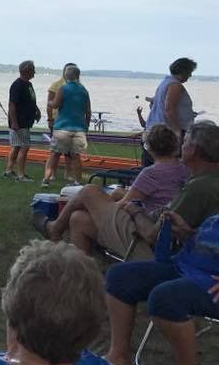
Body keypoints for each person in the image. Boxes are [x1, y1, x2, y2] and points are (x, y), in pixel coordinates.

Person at [34, 121, 219, 259]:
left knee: (90, 191)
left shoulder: (199, 188)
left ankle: (54, 228)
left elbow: (153, 236)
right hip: (158, 237)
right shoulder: (200, 177)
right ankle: (83, 278)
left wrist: (134, 211)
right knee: (78, 219)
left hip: (150, 247)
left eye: (185, 142)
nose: (182, 147)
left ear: (194, 150)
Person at [104, 212, 219, 365]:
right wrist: (186, 233)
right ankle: (119, 356)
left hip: (211, 283)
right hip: (186, 267)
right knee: (120, 277)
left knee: (165, 298)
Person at [42, 64, 90, 187]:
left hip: (62, 127)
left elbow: (55, 104)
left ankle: (46, 180)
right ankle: (77, 181)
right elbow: (88, 111)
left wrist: (50, 102)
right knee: (76, 156)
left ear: (66, 76)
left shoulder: (63, 88)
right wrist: (86, 126)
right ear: (78, 76)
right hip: (79, 128)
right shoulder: (84, 90)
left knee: (55, 154)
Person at [144, 57, 198, 165]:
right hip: (168, 134)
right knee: (174, 166)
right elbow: (169, 109)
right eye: (190, 72)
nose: (190, 75)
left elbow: (160, 104)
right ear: (183, 71)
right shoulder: (175, 85)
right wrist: (177, 132)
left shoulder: (165, 82)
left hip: (158, 131)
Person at [4, 60, 40, 182]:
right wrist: (14, 122)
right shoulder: (17, 85)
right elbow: (12, 105)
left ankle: (9, 170)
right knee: (24, 147)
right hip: (20, 122)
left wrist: (37, 111)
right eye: (33, 70)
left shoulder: (28, 84)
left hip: (26, 121)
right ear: (27, 71)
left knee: (17, 146)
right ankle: (21, 175)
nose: (34, 72)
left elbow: (31, 100)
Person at [45, 62, 77, 180]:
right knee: (55, 151)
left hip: (71, 122)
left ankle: (68, 173)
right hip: (58, 121)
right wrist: (50, 119)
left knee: (69, 151)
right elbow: (49, 103)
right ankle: (52, 173)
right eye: (68, 70)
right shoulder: (56, 85)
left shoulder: (77, 86)